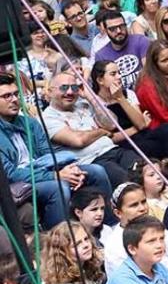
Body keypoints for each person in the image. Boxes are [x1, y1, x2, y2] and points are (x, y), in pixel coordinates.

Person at [0, 74, 112, 230]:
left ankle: (110, 227)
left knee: (96, 171)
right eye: (6, 96)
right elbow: (10, 175)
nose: (14, 99)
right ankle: (60, 243)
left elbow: (48, 154)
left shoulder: (30, 123)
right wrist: (55, 175)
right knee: (58, 187)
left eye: (16, 94)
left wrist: (70, 169)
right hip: (19, 183)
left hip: (43, 170)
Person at [43, 72, 141, 189]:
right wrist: (101, 132)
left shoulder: (83, 105)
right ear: (50, 91)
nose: (69, 92)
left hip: (114, 150)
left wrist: (91, 98)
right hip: (93, 160)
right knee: (130, 184)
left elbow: (111, 125)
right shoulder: (47, 117)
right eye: (64, 88)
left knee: (145, 171)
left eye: (74, 88)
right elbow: (78, 140)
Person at [89, 58, 168, 160]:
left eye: (119, 73)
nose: (119, 77)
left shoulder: (128, 94)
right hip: (125, 143)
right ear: (100, 80)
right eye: (113, 74)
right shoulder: (96, 103)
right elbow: (110, 137)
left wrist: (120, 98)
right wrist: (134, 129)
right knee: (152, 146)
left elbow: (141, 125)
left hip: (144, 134)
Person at [100, 182, 168, 275]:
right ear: (118, 213)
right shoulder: (115, 245)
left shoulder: (156, 227)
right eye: (134, 205)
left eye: (143, 202)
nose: (142, 208)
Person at [92, 9, 151, 92]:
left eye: (121, 26)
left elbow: (150, 73)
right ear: (105, 31)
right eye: (113, 29)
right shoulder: (101, 55)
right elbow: (105, 89)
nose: (119, 31)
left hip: (146, 91)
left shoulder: (141, 41)